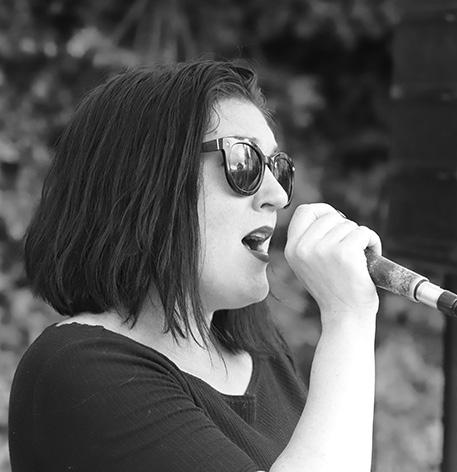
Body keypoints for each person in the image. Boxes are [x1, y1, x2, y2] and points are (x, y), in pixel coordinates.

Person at [8, 60, 381, 472]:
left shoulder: (263, 351)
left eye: (277, 168)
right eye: (244, 162)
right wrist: (348, 318)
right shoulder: (79, 369)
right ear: (148, 178)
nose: (277, 194)